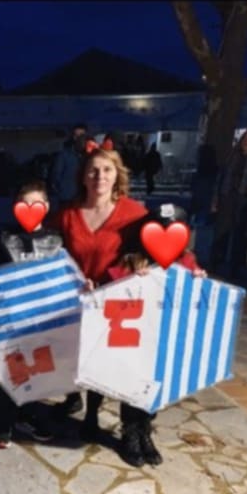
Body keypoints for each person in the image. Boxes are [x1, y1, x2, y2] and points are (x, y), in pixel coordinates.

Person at [55, 146, 205, 467]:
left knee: (133, 368)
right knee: (91, 363)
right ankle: (90, 416)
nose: (100, 176)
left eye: (107, 170)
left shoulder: (134, 213)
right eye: (93, 170)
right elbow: (56, 253)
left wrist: (193, 270)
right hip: (82, 297)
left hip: (125, 299)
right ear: (83, 176)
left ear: (117, 175)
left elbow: (165, 245)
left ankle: (137, 432)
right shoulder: (68, 213)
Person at [0, 179, 60, 448]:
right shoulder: (5, 237)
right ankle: (4, 422)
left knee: (37, 371)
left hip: (41, 318)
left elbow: (61, 276)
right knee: (8, 371)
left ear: (46, 206)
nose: (31, 209)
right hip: (9, 317)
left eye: (37, 203)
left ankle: (28, 414)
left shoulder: (56, 239)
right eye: (24, 204)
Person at [210, 128, 247, 279]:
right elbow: (221, 178)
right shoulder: (233, 155)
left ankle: (237, 267)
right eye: (245, 137)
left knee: (241, 233)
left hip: (245, 198)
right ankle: (216, 262)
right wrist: (216, 198)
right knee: (221, 230)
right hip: (227, 195)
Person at [189, 145, 219, 267]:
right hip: (208, 206)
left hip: (202, 205)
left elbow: (195, 190)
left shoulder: (200, 173)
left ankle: (201, 260)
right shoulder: (216, 172)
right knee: (206, 235)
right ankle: (203, 260)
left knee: (202, 234)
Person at [48, 124, 88, 211]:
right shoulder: (64, 155)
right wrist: (63, 192)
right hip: (67, 199)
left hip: (85, 198)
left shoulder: (91, 156)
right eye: (76, 135)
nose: (78, 138)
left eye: (81, 135)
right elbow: (55, 176)